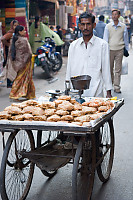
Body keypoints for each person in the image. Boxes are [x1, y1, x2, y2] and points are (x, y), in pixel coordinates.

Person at [66, 12, 112, 98]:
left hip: (96, 93)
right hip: (76, 93)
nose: (85, 28)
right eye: (83, 24)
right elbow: (69, 68)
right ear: (79, 26)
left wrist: (108, 92)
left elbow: (106, 69)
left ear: (94, 25)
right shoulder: (73, 45)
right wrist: (67, 88)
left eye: (88, 24)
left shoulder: (102, 45)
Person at [103, 9, 129, 93]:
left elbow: (126, 39)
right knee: (109, 69)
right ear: (111, 16)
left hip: (120, 50)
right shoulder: (108, 26)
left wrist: (127, 49)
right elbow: (105, 39)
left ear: (119, 15)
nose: (114, 16)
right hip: (110, 50)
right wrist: (104, 50)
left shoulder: (123, 26)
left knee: (118, 69)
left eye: (116, 14)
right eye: (113, 14)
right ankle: (110, 85)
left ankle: (117, 87)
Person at [7, 25, 35, 100]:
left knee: (21, 78)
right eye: (23, 30)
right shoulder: (23, 40)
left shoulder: (13, 39)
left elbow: (10, 52)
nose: (25, 31)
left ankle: (28, 94)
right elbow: (29, 52)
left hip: (17, 63)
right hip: (24, 62)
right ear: (19, 32)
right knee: (22, 79)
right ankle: (14, 94)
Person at [1, 20, 18, 87]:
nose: (16, 27)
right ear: (12, 26)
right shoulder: (10, 33)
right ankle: (9, 83)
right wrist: (8, 44)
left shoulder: (16, 33)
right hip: (10, 53)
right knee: (10, 67)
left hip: (14, 52)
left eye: (17, 25)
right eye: (14, 25)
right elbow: (2, 38)